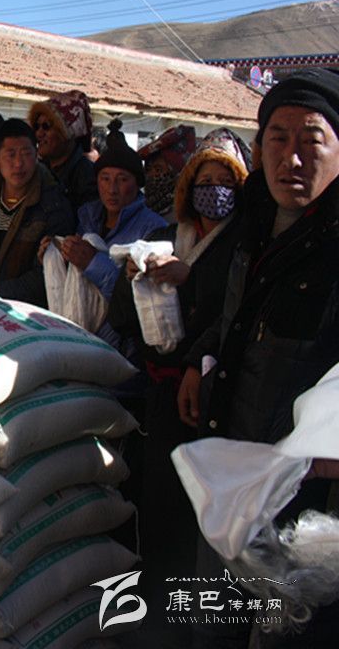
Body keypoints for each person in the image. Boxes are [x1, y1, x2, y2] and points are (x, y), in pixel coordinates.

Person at [176, 69, 339, 649]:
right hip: (233, 455)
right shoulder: (250, 224)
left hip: (302, 487)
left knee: (283, 629)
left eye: (312, 141)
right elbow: (232, 315)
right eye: (277, 138)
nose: (291, 158)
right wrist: (200, 358)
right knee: (217, 616)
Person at [108, 133, 249, 597]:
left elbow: (234, 315)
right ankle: (157, 598)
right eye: (204, 181)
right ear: (188, 188)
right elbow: (122, 318)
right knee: (160, 499)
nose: (214, 190)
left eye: (225, 181)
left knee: (200, 506)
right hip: (161, 390)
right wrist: (133, 278)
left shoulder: (245, 245)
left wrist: (190, 279)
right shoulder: (164, 239)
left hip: (209, 393)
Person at [40, 138, 165, 345]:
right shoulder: (87, 217)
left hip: (120, 346)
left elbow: (144, 301)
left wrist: (93, 263)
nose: (112, 189)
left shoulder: (153, 229)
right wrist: (60, 255)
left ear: (137, 184)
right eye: (105, 179)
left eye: (122, 180)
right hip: (77, 337)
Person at [0, 118, 74, 305]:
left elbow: (47, 273)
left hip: (25, 310)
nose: (18, 163)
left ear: (36, 155)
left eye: (26, 154)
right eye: (10, 155)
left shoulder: (54, 204)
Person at [28, 90, 98, 212]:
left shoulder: (88, 177)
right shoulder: (36, 170)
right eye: (36, 126)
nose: (39, 133)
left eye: (46, 126)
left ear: (68, 132)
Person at [137, 124, 197, 222]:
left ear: (178, 174)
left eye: (158, 170)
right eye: (147, 169)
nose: (150, 175)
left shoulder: (184, 217)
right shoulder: (142, 209)